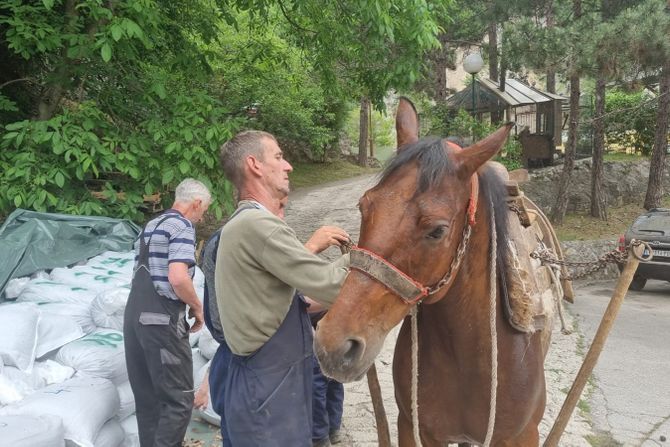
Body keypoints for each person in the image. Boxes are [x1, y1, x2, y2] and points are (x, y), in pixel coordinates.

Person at [214, 130, 350, 446]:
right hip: (268, 393)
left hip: (266, 387)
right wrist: (373, 250)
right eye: (278, 156)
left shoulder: (243, 224)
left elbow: (283, 302)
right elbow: (331, 284)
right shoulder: (257, 225)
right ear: (254, 165)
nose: (288, 165)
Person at [195, 195, 346, 446]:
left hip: (257, 365)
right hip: (250, 366)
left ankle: (327, 430)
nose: (283, 217)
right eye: (279, 206)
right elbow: (254, 308)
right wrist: (309, 250)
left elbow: (290, 298)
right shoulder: (235, 240)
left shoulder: (255, 241)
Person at [124, 178, 211, 447]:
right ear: (196, 204)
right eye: (203, 211)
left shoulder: (149, 226)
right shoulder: (182, 225)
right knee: (179, 400)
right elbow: (178, 278)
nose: (201, 217)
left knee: (147, 399)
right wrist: (198, 307)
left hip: (134, 319)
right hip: (161, 321)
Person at [310, 311, 345, 447]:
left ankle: (320, 435)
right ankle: (333, 428)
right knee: (334, 377)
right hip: (337, 320)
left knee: (318, 380)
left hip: (325, 322)